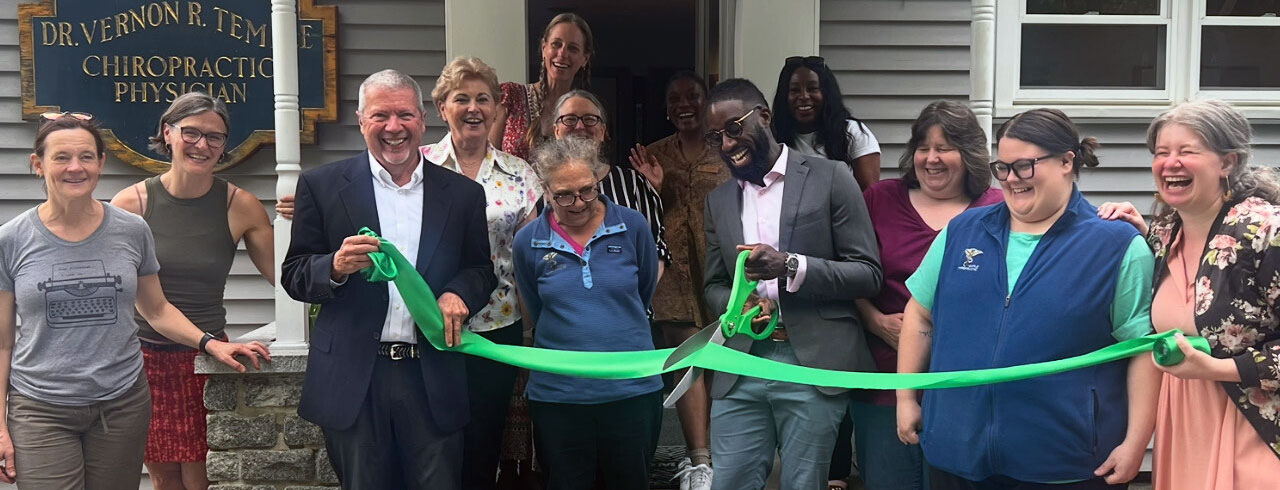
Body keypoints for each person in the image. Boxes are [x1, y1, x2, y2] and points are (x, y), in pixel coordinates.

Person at [0, 114, 269, 490]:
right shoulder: (10, 240)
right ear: (38, 164)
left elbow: (156, 309)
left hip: (122, 402)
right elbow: (3, 343)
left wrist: (210, 342)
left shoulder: (131, 229)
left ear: (100, 163)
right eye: (61, 157)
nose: (75, 167)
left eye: (86, 157)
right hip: (42, 406)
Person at [895, 108, 1160, 489]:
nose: (1010, 180)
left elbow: (1141, 350)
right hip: (955, 454)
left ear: (1067, 161)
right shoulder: (962, 232)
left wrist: (1136, 442)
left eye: (1024, 166)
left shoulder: (1117, 246)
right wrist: (907, 397)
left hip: (1063, 463)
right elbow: (919, 316)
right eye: (1001, 168)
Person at [281, 69, 497, 490]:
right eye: (380, 115)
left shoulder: (463, 193)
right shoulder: (322, 185)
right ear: (361, 121)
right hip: (355, 377)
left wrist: (458, 294)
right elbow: (295, 274)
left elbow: (479, 269)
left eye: (404, 115)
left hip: (432, 371)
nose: (393, 127)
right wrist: (335, 267)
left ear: (422, 119)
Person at [701, 78, 882, 490]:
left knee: (804, 484)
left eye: (734, 128)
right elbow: (713, 284)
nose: (727, 144)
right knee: (728, 482)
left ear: (763, 117)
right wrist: (738, 305)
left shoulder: (832, 177)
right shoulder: (718, 201)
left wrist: (790, 266)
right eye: (716, 137)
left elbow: (868, 273)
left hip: (811, 364)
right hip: (739, 364)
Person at [1096, 100, 1280, 489]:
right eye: (1162, 153)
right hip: (1182, 426)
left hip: (1256, 429)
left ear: (1227, 162)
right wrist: (1134, 231)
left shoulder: (1265, 232)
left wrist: (1216, 369)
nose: (1170, 162)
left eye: (1187, 151)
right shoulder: (1164, 234)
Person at [107, 92, 275, 490]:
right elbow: (133, 301)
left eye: (215, 137)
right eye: (191, 133)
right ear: (168, 133)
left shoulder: (241, 205)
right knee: (164, 479)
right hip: (144, 360)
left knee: (204, 475)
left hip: (209, 360)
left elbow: (288, 280)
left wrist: (301, 221)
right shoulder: (130, 205)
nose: (202, 145)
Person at [842, 101, 1003, 490]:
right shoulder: (879, 199)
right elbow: (845, 275)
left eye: (945, 148)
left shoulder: (998, 206)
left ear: (969, 155)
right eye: (923, 147)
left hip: (968, 385)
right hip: (883, 376)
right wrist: (875, 321)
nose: (932, 159)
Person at [512, 136, 663, 490]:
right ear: (545, 189)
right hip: (560, 397)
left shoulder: (633, 225)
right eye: (564, 194)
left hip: (632, 390)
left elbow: (641, 296)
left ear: (598, 181)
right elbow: (535, 307)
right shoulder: (527, 241)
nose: (578, 203)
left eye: (587, 190)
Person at [420, 56, 542, 490]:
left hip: (497, 324)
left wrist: (534, 328)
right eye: (461, 99)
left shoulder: (520, 174)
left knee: (483, 439)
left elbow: (530, 257)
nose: (473, 108)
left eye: (483, 99)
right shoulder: (417, 167)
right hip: (428, 323)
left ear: (495, 109)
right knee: (432, 436)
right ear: (442, 108)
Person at [629, 70, 728, 490]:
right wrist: (653, 186)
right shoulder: (652, 154)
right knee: (688, 361)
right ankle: (699, 460)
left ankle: (723, 454)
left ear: (707, 101)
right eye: (674, 99)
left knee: (724, 363)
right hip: (673, 275)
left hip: (721, 270)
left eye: (692, 96)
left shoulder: (729, 149)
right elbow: (637, 216)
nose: (683, 104)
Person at [552, 90, 671, 269]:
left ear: (602, 131)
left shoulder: (635, 184)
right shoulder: (539, 188)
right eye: (569, 119)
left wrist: (637, 296)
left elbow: (656, 250)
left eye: (589, 119)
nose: (579, 127)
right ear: (556, 131)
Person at [490, 13, 595, 163]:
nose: (562, 53)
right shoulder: (510, 96)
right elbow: (487, 161)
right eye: (556, 44)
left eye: (573, 48)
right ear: (544, 47)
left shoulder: (583, 115)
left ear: (585, 58)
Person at [771, 56, 880, 190]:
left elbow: (870, 194)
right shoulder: (773, 135)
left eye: (812, 89)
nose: (804, 96)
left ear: (827, 93)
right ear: (784, 96)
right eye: (794, 90)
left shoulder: (852, 132)